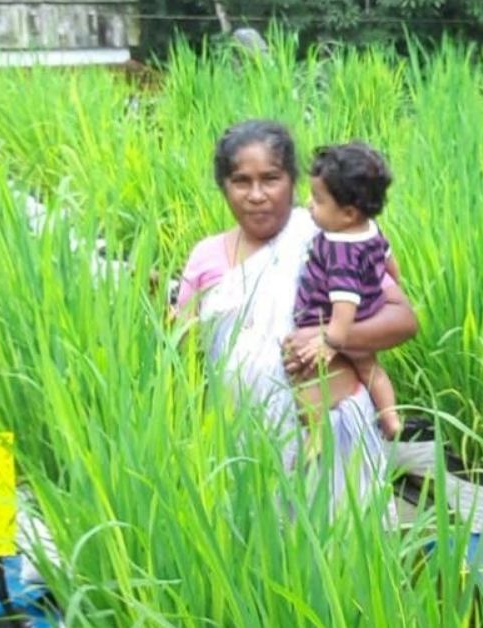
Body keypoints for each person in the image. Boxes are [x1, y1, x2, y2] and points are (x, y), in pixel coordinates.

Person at [173, 119, 417, 513]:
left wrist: (328, 338)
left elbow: (403, 319)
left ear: (293, 182)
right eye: (241, 181)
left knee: (347, 559)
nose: (256, 195)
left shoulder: (329, 238)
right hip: (245, 449)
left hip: (336, 440)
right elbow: (183, 355)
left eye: (270, 179)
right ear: (223, 186)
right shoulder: (205, 257)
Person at [292, 142, 403, 441]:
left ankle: (315, 434)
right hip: (370, 312)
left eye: (317, 200)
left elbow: (344, 305)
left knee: (312, 380)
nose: (308, 204)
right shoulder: (370, 229)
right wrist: (395, 282)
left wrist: (330, 342)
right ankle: (390, 417)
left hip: (332, 322)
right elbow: (390, 261)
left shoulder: (340, 251)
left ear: (348, 213)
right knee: (372, 370)